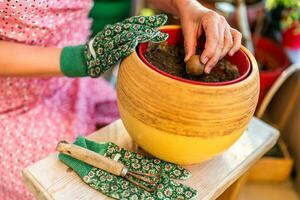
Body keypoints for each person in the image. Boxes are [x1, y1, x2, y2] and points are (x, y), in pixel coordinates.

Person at [0, 0, 242, 199]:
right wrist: (77, 60)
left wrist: (188, 7)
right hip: (13, 102)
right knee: (54, 186)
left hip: (74, 83)